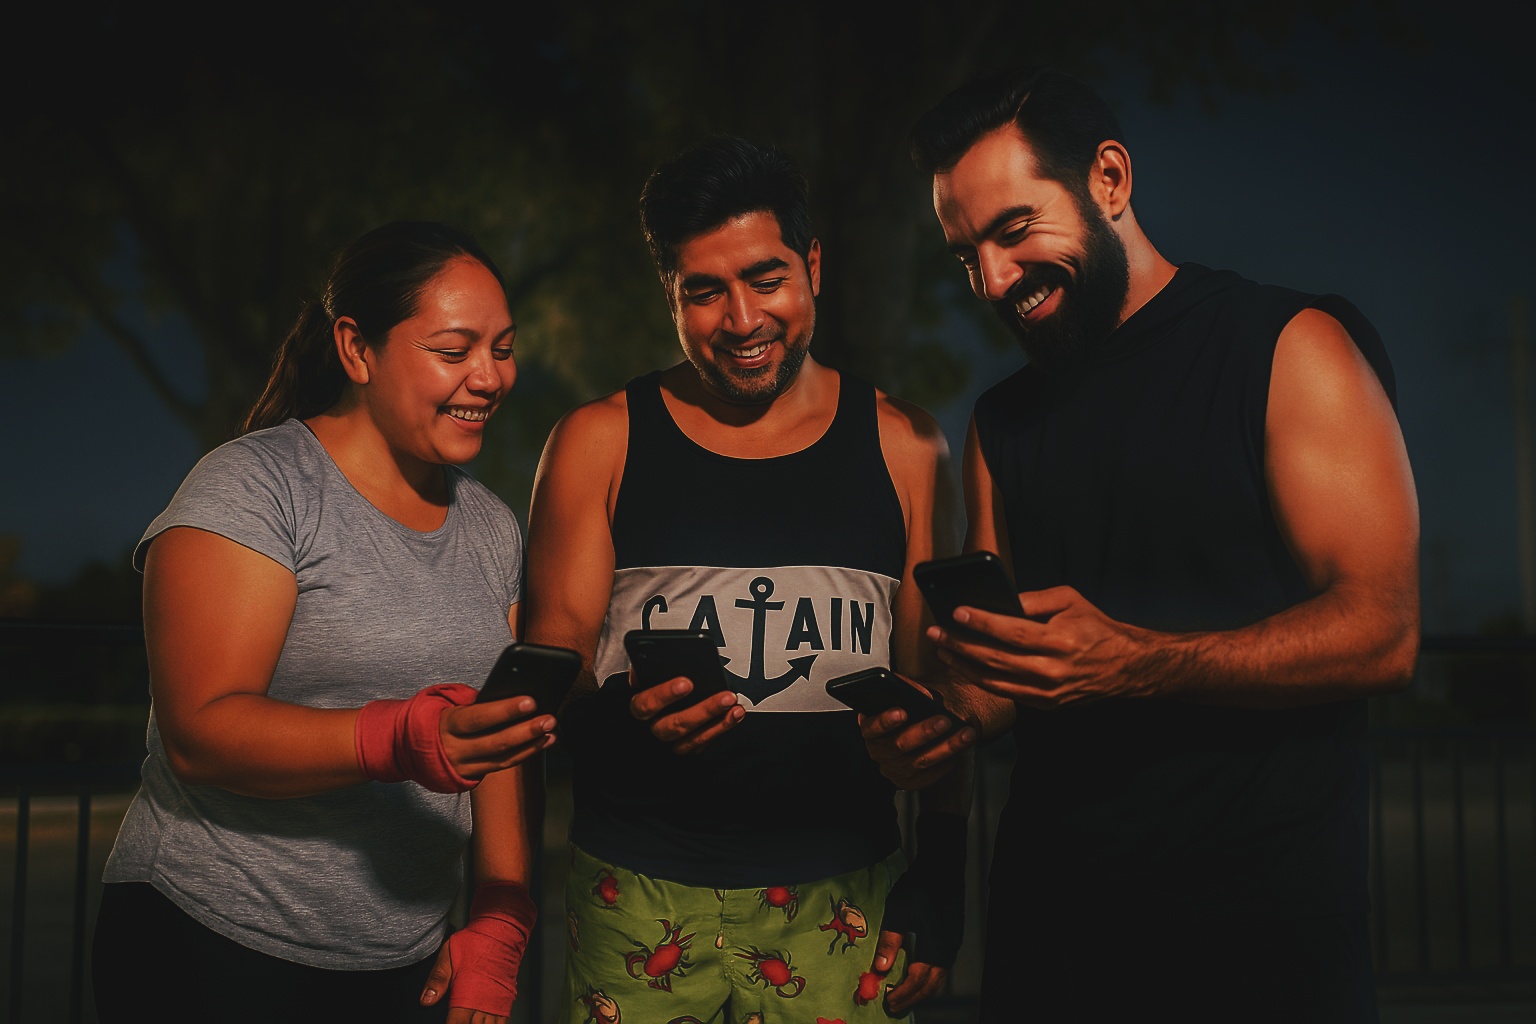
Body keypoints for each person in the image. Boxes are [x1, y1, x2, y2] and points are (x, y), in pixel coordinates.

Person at [862, 68, 1420, 1021]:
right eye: (966, 257)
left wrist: (1138, 664)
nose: (992, 280)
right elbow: (1007, 668)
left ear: (1110, 181)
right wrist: (945, 715)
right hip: (1051, 938)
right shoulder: (1003, 422)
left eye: (1013, 231)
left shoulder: (1291, 346)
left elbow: (1382, 631)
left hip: (1260, 945)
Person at [522, 135, 970, 1024]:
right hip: (633, 889)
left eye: (765, 280)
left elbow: (937, 700)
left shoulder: (906, 446)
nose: (741, 321)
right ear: (671, 296)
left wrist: (943, 889)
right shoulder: (597, 442)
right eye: (704, 291)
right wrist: (618, 718)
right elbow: (549, 672)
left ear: (811, 266)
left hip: (845, 892)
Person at [92, 221, 550, 1024]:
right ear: (357, 348)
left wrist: (500, 918)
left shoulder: (491, 526)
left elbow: (498, 732)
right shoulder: (257, 488)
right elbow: (200, 733)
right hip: (211, 940)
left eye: (503, 348)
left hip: (405, 960)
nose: (489, 376)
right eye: (455, 349)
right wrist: (404, 739)